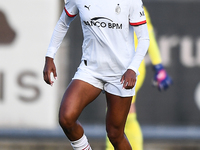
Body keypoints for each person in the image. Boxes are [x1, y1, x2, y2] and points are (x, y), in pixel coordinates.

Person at [43, 0, 150, 149]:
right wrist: (50, 56)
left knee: (115, 134)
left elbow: (144, 39)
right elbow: (63, 23)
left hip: (120, 73)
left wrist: (132, 68)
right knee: (66, 118)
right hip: (90, 70)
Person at [105, 6, 173, 150]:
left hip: (132, 68)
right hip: (114, 67)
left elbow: (148, 36)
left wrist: (158, 65)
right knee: (124, 114)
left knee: (116, 114)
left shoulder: (136, 6)